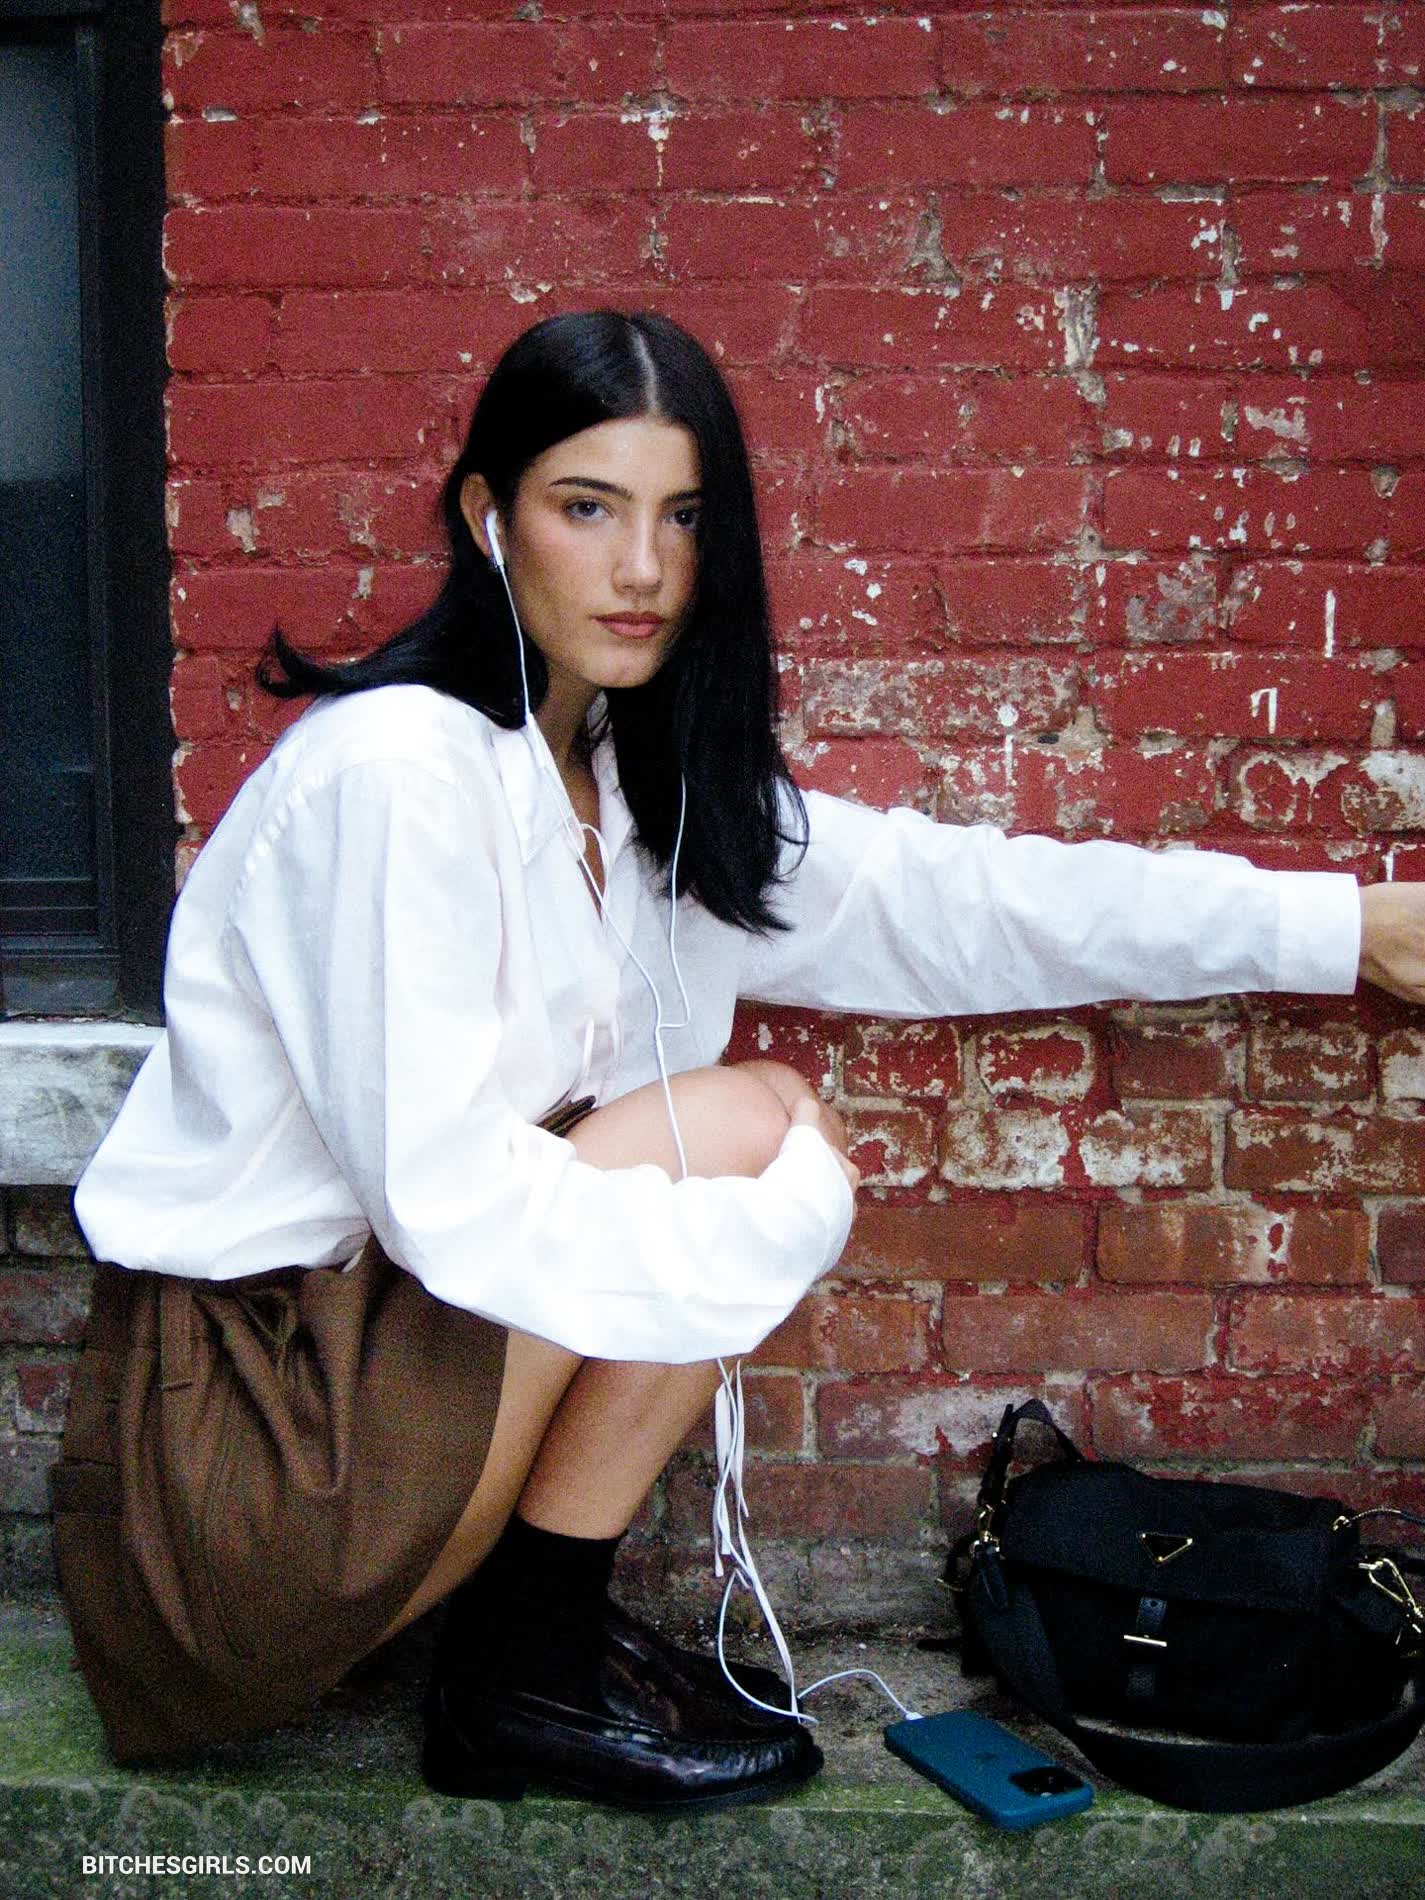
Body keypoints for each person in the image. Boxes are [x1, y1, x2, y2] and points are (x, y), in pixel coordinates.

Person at [57, 309, 1425, 1814]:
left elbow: (961, 903)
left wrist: (1339, 928)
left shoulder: (636, 791)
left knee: (736, 1137)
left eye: (684, 517)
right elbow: (445, 1201)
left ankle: (526, 1650)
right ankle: (522, 1667)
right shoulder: (396, 773)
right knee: (745, 1133)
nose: (643, 568)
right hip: (243, 1474)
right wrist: (776, 1226)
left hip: (380, 1419)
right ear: (488, 516)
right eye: (588, 508)